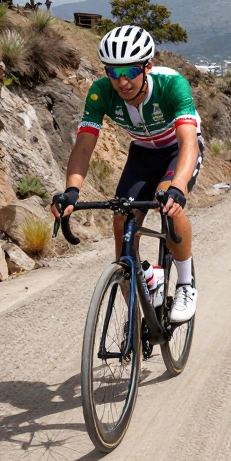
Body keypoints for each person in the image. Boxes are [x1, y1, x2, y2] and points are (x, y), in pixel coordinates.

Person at [50, 25, 204, 323]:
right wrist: (71, 191)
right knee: (122, 219)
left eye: (130, 71)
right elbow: (84, 146)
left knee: (169, 205)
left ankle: (186, 284)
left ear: (147, 67)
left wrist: (178, 187)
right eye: (113, 72)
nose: (121, 81)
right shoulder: (100, 92)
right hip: (142, 153)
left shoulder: (172, 84)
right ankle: (136, 317)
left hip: (177, 150)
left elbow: (188, 143)